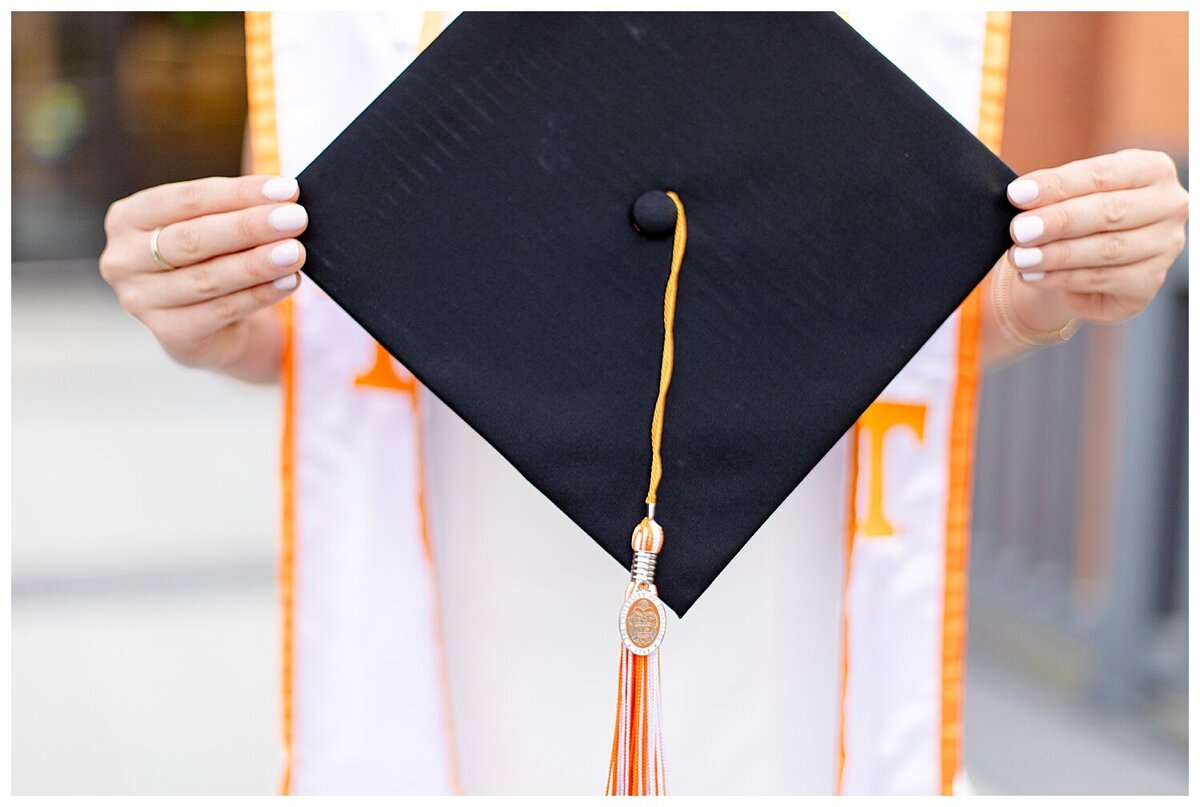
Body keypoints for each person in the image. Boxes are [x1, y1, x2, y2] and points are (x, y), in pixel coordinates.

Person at [96, 12, 1188, 795]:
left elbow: (896, 318)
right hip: (454, 571)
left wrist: (1046, 288)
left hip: (788, 570)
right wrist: (211, 316)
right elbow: (312, 326)